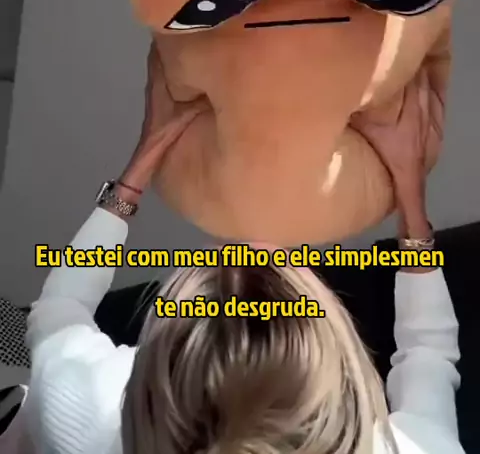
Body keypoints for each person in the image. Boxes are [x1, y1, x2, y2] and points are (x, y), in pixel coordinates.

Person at [1, 44, 463, 454]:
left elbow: (59, 308)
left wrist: (146, 153)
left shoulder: (85, 411)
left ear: (146, 383)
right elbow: (428, 352)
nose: (257, 247)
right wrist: (409, 184)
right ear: (347, 383)